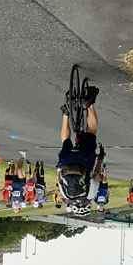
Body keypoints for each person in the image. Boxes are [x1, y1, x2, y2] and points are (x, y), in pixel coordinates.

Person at [56, 83, 100, 216]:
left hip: (84, 160)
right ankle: (65, 114)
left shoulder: (90, 196)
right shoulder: (66, 196)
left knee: (92, 132)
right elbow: (59, 179)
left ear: (88, 205)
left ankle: (89, 105)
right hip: (66, 162)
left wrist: (100, 159)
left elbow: (96, 176)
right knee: (65, 141)